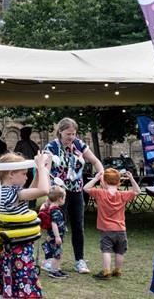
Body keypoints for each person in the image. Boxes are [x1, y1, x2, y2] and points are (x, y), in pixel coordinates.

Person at [44, 117, 104, 274]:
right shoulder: (51, 147)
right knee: (56, 227)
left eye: (74, 133)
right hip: (58, 192)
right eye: (68, 133)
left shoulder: (79, 144)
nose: (71, 137)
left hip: (76, 191)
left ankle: (80, 260)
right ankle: (51, 260)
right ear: (60, 131)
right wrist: (47, 193)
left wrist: (101, 172)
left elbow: (95, 161)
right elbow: (44, 170)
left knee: (78, 226)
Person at [0, 151, 51, 299]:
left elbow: (31, 190)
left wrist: (38, 172)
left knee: (11, 282)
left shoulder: (4, 191)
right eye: (24, 173)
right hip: (18, 248)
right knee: (20, 283)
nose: (26, 177)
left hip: (13, 247)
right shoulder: (11, 194)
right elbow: (43, 190)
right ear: (11, 174)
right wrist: (42, 168)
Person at [83, 167, 140, 280]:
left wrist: (95, 178)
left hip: (106, 230)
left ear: (103, 181)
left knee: (106, 251)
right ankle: (117, 270)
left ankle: (106, 271)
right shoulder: (122, 195)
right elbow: (137, 191)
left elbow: (85, 188)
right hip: (121, 229)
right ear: (119, 182)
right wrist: (131, 179)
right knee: (120, 252)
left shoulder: (100, 193)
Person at [38, 186, 67, 279]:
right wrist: (57, 236)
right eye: (64, 198)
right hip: (56, 237)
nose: (64, 200)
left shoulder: (50, 207)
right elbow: (54, 223)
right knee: (57, 254)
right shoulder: (55, 210)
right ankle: (53, 271)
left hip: (53, 236)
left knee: (57, 253)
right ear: (60, 198)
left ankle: (56, 269)